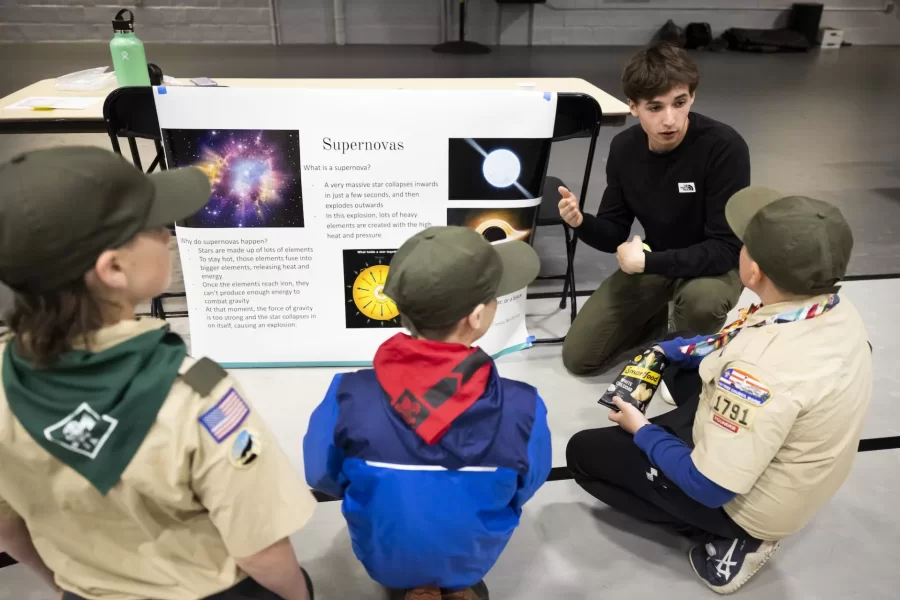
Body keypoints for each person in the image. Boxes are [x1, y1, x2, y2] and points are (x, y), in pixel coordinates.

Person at [0, 147, 317, 600]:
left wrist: (71, 587)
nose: (167, 234)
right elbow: (259, 548)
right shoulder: (199, 395)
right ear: (112, 268)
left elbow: (8, 528)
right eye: (152, 226)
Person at [566, 187, 871, 594]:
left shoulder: (757, 372)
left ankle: (739, 540)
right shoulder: (832, 306)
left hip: (747, 505)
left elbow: (707, 486)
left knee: (583, 455)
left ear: (754, 271)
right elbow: (738, 337)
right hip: (801, 462)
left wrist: (642, 429)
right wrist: (671, 349)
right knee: (689, 345)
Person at [304, 227, 552, 600]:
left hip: (385, 560)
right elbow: (527, 485)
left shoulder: (347, 396)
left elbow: (321, 475)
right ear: (478, 315)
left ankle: (414, 585)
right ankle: (456, 586)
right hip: (471, 559)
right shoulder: (524, 408)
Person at [558, 42, 750, 375]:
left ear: (693, 96)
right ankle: (661, 325)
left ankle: (692, 355)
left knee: (702, 302)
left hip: (714, 267)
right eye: (655, 108)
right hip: (658, 259)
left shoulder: (724, 147)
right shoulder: (624, 149)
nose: (670, 120)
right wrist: (580, 222)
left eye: (680, 103)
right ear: (633, 107)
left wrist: (647, 260)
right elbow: (613, 230)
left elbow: (726, 247)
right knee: (580, 358)